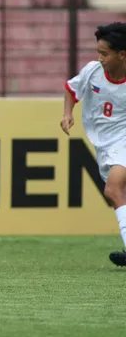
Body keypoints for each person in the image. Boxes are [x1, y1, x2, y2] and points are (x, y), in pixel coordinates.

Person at [62, 22, 126, 267]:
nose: (99, 58)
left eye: (104, 54)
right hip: (104, 145)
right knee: (120, 195)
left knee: (113, 191)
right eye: (98, 53)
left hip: (123, 139)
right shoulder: (92, 71)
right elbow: (71, 89)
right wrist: (67, 114)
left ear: (122, 54)